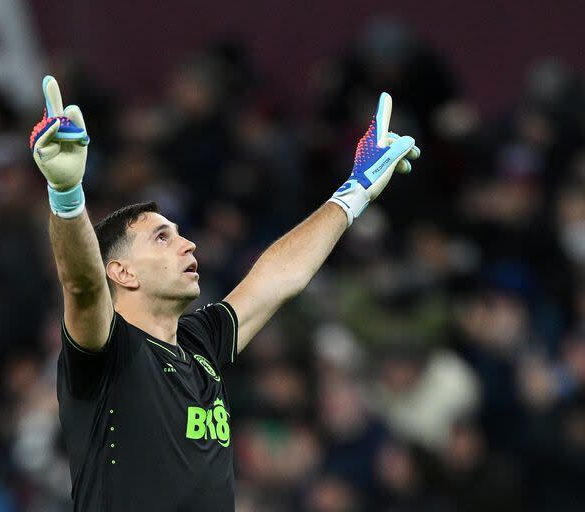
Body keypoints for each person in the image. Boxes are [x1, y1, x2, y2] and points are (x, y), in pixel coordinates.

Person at [28, 75, 420, 511]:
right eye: (161, 238)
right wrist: (66, 195)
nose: (187, 244)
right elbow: (82, 286)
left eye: (179, 234)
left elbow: (275, 279)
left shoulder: (199, 342)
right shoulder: (107, 352)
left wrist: (354, 193)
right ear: (120, 272)